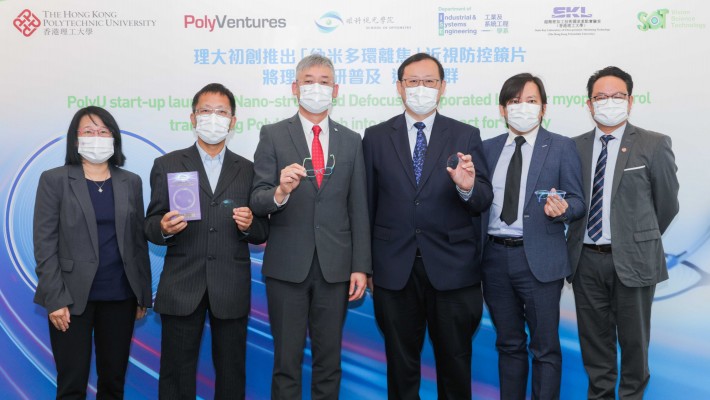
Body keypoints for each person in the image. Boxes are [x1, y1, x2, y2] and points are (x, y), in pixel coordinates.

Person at [362, 52, 493, 399]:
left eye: (429, 81)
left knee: (455, 366)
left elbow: (482, 200)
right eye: (413, 81)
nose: (421, 88)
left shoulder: (465, 135)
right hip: (394, 269)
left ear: (443, 87)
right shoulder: (375, 137)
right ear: (400, 87)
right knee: (401, 370)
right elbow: (366, 205)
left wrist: (466, 186)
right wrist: (365, 266)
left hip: (452, 270)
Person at [250, 54, 371, 400]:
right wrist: (281, 191)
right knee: (286, 362)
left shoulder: (350, 140)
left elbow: (358, 206)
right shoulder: (273, 135)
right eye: (308, 80)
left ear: (335, 90)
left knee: (328, 362)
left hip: (335, 268)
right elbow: (258, 199)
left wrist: (360, 266)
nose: (315, 87)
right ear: (294, 87)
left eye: (323, 81)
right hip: (287, 267)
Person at [144, 83, 269, 399]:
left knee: (231, 373)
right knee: (176, 373)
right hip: (183, 285)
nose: (213, 118)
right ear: (192, 117)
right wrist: (164, 227)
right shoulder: (168, 164)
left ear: (233, 121)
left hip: (229, 286)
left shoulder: (249, 170)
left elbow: (263, 231)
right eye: (206, 111)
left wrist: (250, 225)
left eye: (221, 112)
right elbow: (149, 224)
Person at [567, 66, 679, 400]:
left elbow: (667, 204)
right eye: (601, 97)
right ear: (589, 104)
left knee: (634, 347)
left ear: (630, 101)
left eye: (617, 96)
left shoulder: (653, 144)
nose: (609, 102)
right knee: (595, 348)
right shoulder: (574, 148)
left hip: (634, 261)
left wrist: (635, 238)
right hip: (586, 262)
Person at [33, 106, 152, 399]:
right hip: (71, 300)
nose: (96, 137)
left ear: (114, 138)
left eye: (103, 131)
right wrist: (54, 298)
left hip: (121, 296)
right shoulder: (54, 179)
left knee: (113, 382)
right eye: (88, 131)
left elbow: (138, 243)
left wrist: (142, 295)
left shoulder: (131, 181)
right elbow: (44, 243)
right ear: (76, 140)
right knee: (72, 383)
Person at [481, 73, 585, 400]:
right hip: (494, 259)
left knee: (544, 349)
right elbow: (476, 201)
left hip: (539, 260)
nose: (522, 108)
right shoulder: (486, 149)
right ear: (502, 109)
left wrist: (563, 209)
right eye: (514, 102)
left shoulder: (561, 146)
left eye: (530, 101)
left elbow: (579, 201)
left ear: (543, 108)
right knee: (508, 345)